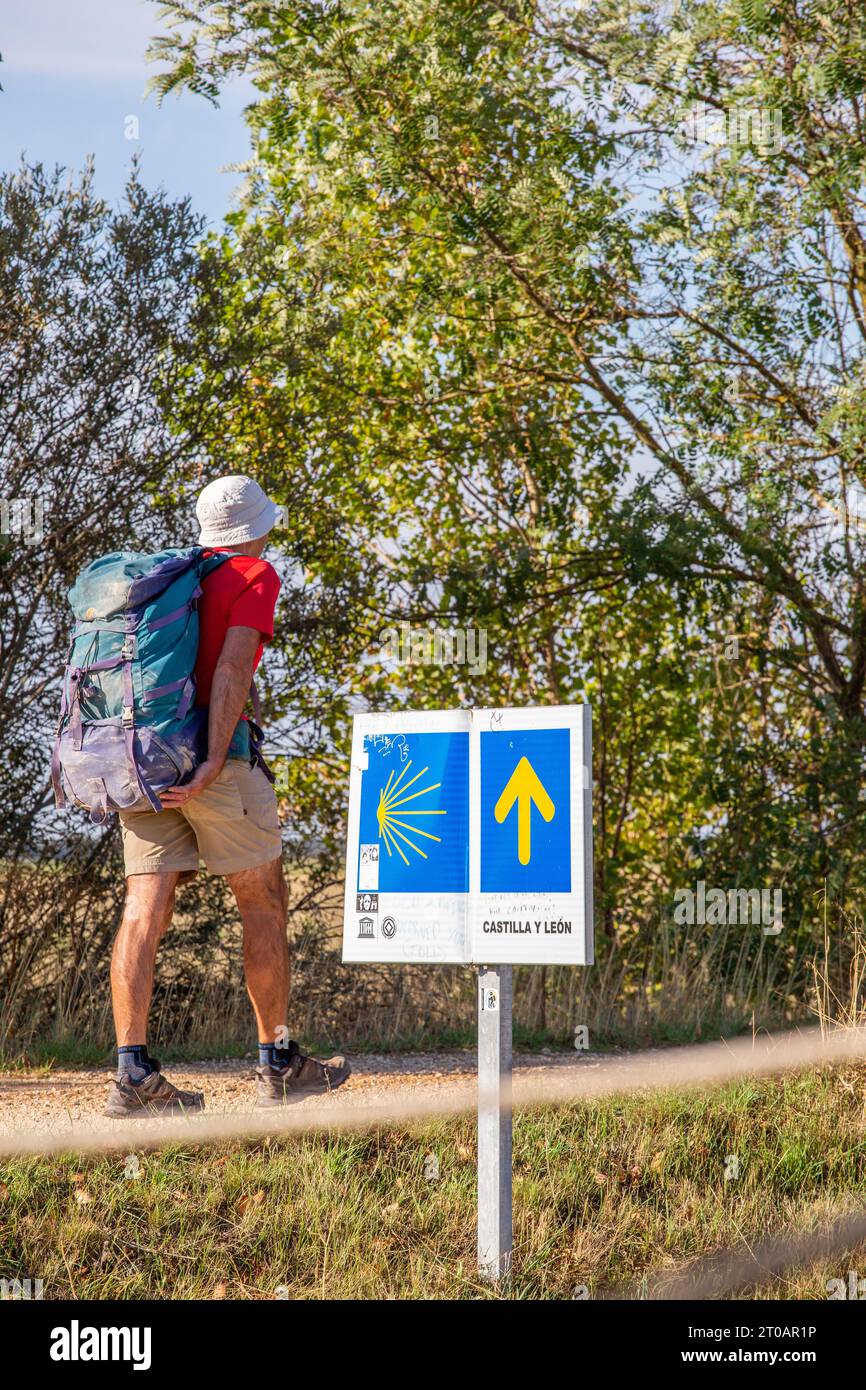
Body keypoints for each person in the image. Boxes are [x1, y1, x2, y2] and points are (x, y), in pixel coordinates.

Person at [105, 475, 350, 1116]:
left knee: (142, 910)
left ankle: (132, 1072)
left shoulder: (172, 579)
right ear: (258, 528)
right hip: (213, 767)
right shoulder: (253, 576)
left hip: (144, 764)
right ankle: (278, 1061)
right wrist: (216, 759)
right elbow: (233, 666)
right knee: (263, 902)